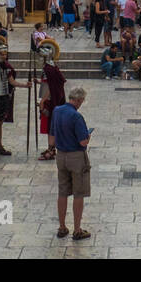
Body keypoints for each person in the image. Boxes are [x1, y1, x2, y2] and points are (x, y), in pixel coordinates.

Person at [50, 86, 92, 240]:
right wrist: (88, 137)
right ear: (79, 100)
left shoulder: (57, 111)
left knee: (62, 191)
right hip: (76, 157)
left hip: (61, 155)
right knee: (78, 193)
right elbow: (82, 142)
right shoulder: (76, 117)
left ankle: (62, 227)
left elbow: (52, 136)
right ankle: (77, 229)